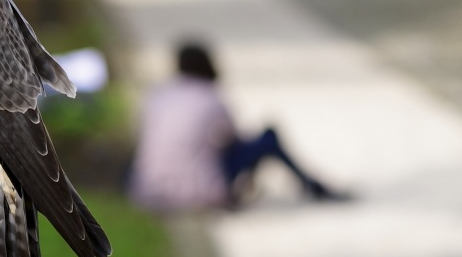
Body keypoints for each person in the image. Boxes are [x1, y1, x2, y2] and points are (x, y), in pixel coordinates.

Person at [127, 41, 347, 211]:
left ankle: (313, 187)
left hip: (148, 189)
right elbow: (232, 138)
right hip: (200, 191)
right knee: (268, 137)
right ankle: (313, 187)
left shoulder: (158, 95)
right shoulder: (211, 97)